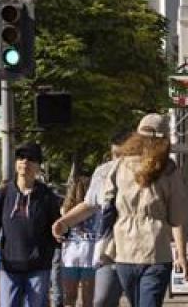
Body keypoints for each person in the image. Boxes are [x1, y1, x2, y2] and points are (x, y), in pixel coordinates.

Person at [105, 114, 188, 307]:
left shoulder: (120, 166)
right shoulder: (169, 170)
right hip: (156, 250)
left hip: (124, 250)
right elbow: (177, 217)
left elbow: (106, 201)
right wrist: (181, 254)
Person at [51, 131, 129, 307]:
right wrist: (64, 222)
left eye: (122, 156)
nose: (117, 162)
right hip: (109, 249)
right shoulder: (103, 172)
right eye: (114, 155)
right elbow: (89, 205)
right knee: (102, 300)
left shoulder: (144, 172)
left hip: (138, 250)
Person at [0, 142, 62, 307]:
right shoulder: (2, 194)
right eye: (20, 157)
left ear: (38, 166)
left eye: (31, 158)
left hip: (39, 268)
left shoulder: (47, 196)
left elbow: (57, 229)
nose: (25, 162)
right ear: (16, 163)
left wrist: (60, 233)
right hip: (9, 267)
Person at [58, 175, 99, 306]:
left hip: (70, 258)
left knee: (70, 298)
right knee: (88, 299)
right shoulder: (97, 209)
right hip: (90, 257)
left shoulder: (65, 210)